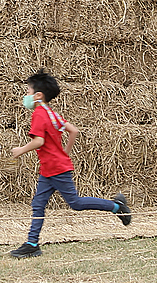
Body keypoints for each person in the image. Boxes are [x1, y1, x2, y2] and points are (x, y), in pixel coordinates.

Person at [8, 69, 131, 259]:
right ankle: (32, 244)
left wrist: (20, 150)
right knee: (38, 204)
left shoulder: (40, 114)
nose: (26, 96)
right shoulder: (51, 113)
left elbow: (39, 141)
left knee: (75, 203)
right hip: (50, 168)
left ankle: (116, 206)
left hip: (56, 169)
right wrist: (64, 153)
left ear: (38, 95)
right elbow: (73, 130)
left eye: (28, 92)